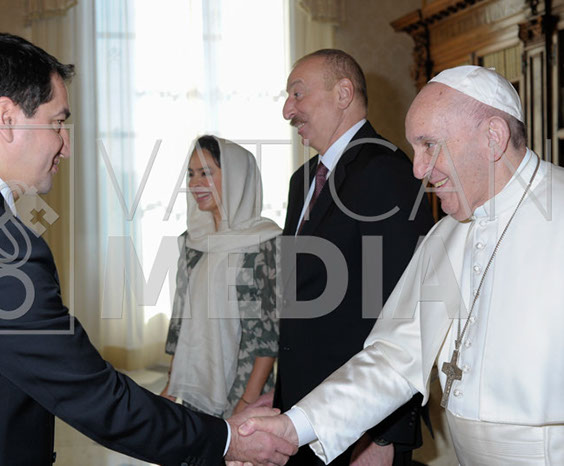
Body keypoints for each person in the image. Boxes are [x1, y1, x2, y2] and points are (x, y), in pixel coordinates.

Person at [0, 32, 297, 466]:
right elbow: (95, 397)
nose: (65, 147)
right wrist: (227, 440)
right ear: (7, 118)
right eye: (57, 123)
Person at [239, 65, 564, 465]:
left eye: (429, 145)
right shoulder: (446, 236)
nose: (418, 169)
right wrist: (296, 425)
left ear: (493, 137)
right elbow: (393, 359)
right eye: (415, 148)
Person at [271, 49, 433, 465]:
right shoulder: (302, 181)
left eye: (297, 93)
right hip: (302, 416)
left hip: (360, 426)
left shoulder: (387, 171)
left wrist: (386, 437)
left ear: (343, 93)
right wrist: (280, 397)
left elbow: (408, 311)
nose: (288, 109)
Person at [160, 135, 281, 418]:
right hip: (196, 385)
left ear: (236, 177)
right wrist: (171, 386)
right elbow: (181, 319)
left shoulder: (265, 242)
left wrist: (247, 401)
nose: (195, 183)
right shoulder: (192, 242)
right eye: (191, 174)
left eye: (206, 173)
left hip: (246, 387)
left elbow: (269, 335)